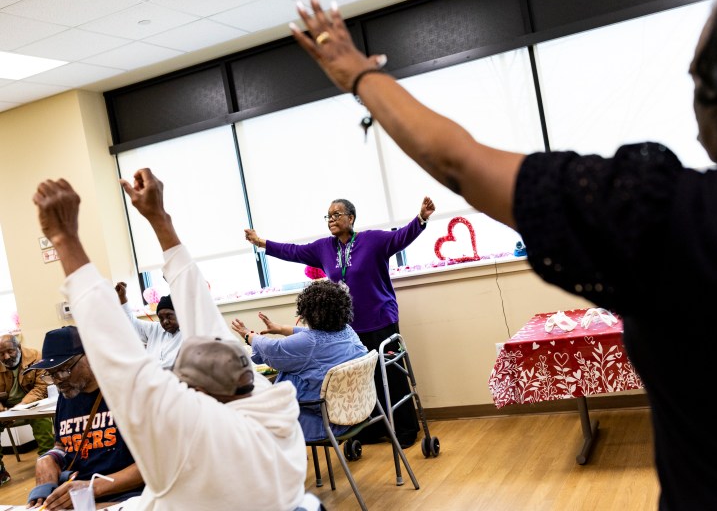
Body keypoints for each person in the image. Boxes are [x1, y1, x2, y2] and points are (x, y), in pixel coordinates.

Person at [290, 0, 717, 509]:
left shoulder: (662, 214)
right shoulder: (326, 246)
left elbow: (460, 162)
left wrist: (362, 79)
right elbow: (296, 247)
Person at [32, 169, 314, 510]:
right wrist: (159, 219)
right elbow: (203, 318)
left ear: (195, 394)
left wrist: (65, 239)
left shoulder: (190, 440)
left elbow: (120, 361)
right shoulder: (271, 407)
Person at [244, 196, 435, 448]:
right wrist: (261, 242)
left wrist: (421, 218)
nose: (331, 220)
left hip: (381, 321)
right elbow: (293, 251)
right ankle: (371, 429)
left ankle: (406, 429)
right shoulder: (323, 248)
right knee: (362, 380)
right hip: (349, 329)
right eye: (328, 216)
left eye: (336, 215)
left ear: (351, 218)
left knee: (391, 376)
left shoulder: (373, 240)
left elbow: (401, 237)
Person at [231, 280, 368, 441]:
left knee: (250, 417)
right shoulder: (347, 331)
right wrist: (281, 329)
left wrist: (248, 335)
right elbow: (314, 336)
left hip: (318, 421)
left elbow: (272, 349)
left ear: (306, 312)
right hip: (354, 411)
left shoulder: (309, 343)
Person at [25, 326, 144, 510]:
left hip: (129, 498)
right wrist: (50, 458)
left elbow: (155, 465)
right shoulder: (67, 395)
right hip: (80, 497)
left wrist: (92, 488)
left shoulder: (130, 393)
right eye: (51, 373)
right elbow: (63, 444)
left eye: (64, 369)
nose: (58, 380)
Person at [0, 333, 54, 486]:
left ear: (18, 347)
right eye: (1, 354)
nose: (6, 356)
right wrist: (3, 410)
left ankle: (48, 460)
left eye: (10, 351)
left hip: (32, 404)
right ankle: (0, 471)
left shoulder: (36, 357)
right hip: (6, 408)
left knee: (41, 419)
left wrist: (18, 410)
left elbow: (41, 388)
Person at [115, 283, 183, 368]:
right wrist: (122, 297)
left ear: (180, 314)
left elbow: (170, 366)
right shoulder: (156, 329)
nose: (165, 321)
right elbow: (131, 323)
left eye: (169, 316)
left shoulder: (188, 334)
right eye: (161, 318)